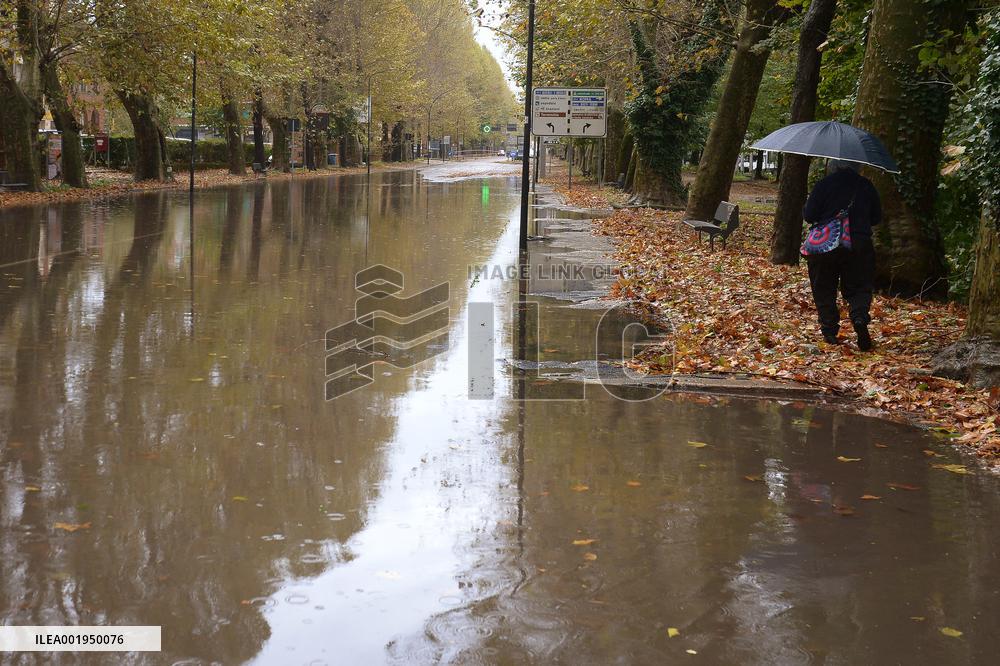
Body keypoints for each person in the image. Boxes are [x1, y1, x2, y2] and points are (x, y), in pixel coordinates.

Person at [802, 159, 882, 351]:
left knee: (823, 285)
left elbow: (809, 215)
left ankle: (829, 330)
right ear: (859, 165)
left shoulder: (824, 184)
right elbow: (876, 218)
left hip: (826, 244)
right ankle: (859, 316)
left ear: (834, 165)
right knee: (860, 285)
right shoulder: (866, 186)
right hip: (859, 243)